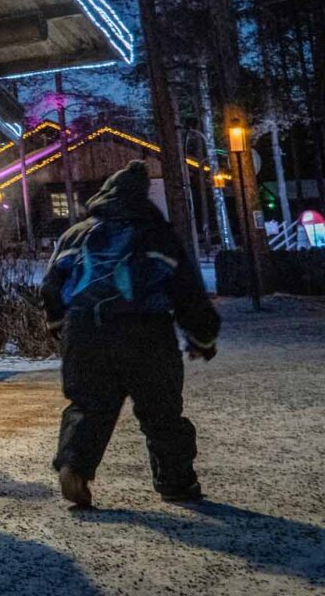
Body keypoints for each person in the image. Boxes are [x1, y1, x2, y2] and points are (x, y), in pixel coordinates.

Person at [42, 159, 220, 509]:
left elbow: (52, 285)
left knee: (89, 406)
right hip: (145, 332)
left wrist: (58, 324)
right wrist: (202, 337)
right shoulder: (158, 236)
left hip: (85, 330)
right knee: (162, 412)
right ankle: (176, 483)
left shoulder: (75, 234)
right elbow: (187, 290)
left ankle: (74, 467)